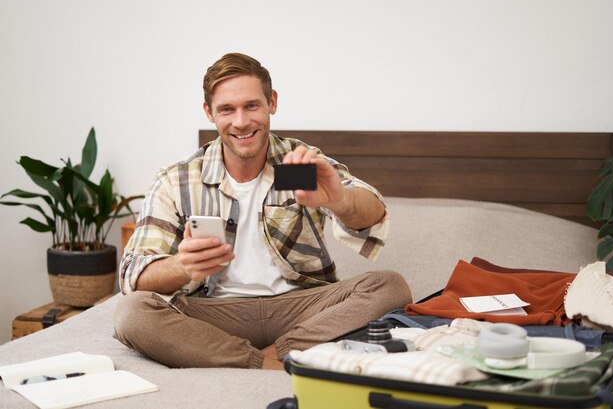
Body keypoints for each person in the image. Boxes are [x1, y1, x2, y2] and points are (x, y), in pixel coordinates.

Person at [114, 52, 412, 369]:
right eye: (227, 109)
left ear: (272, 102)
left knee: (389, 287)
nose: (241, 122)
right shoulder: (178, 180)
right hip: (216, 312)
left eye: (251, 106)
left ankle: (268, 356)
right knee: (132, 312)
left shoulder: (296, 164)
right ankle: (269, 362)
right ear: (209, 113)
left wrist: (340, 200)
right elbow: (134, 274)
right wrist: (182, 266)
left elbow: (371, 211)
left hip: (301, 307)